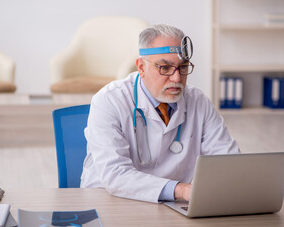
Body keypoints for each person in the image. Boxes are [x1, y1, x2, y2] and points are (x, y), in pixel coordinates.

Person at [80, 24, 240, 203]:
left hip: (174, 204)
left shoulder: (198, 101)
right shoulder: (109, 100)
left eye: (183, 67)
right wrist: (179, 189)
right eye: (165, 67)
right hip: (110, 200)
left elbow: (227, 160)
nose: (177, 78)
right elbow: (115, 175)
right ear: (141, 67)